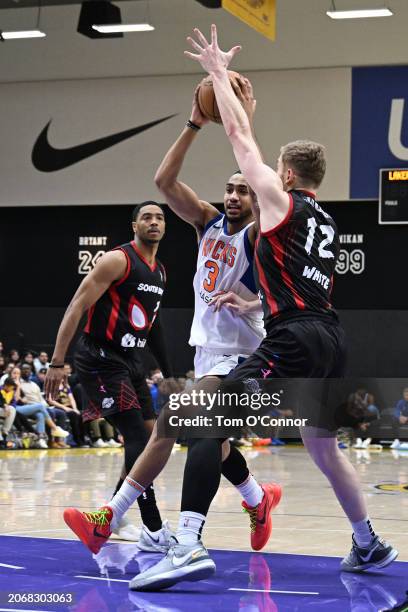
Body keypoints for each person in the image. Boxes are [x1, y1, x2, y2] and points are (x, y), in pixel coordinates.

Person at [163, 24, 397, 579]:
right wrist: (251, 304)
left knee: (206, 416)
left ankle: (188, 544)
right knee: (323, 448)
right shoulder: (328, 221)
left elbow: (243, 142)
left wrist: (218, 74)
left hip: (292, 336)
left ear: (287, 175)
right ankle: (367, 542)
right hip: (330, 338)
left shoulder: (280, 203)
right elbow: (293, 282)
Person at [60, 87, 280, 588]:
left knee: (172, 424)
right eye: (229, 188)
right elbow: (163, 180)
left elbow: (265, 193)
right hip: (210, 355)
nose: (233, 195)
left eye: (243, 189)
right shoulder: (208, 225)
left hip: (246, 357)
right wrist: (194, 122)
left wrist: (243, 128)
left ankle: (145, 531)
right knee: (210, 443)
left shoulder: (256, 233)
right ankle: (255, 499)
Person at [45, 202, 174, 549]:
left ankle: (112, 517)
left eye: (159, 217)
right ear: (134, 225)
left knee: (152, 442)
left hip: (131, 361)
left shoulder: (160, 271)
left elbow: (155, 325)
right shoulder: (117, 260)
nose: (153, 222)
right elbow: (77, 304)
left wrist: (169, 373)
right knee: (138, 438)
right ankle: (154, 529)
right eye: (146, 216)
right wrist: (57, 362)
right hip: (99, 357)